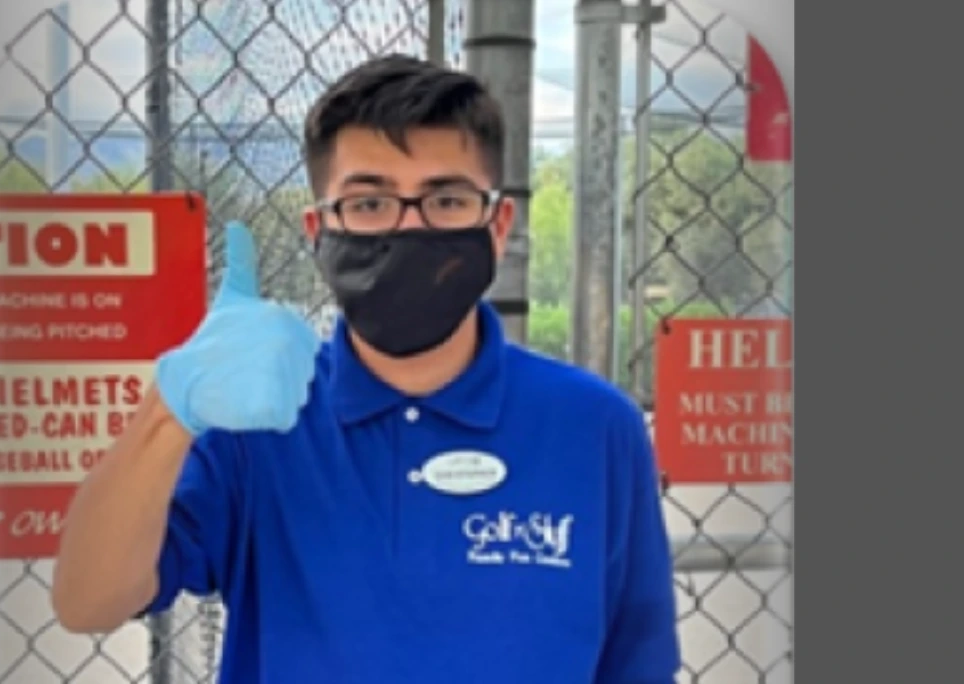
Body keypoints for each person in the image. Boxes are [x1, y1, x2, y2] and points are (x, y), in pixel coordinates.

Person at [52, 54, 681, 683]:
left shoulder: (595, 427)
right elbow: (89, 601)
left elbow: (637, 663)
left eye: (447, 199)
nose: (410, 226)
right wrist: (170, 409)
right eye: (370, 203)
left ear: (497, 226)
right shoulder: (259, 425)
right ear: (318, 230)